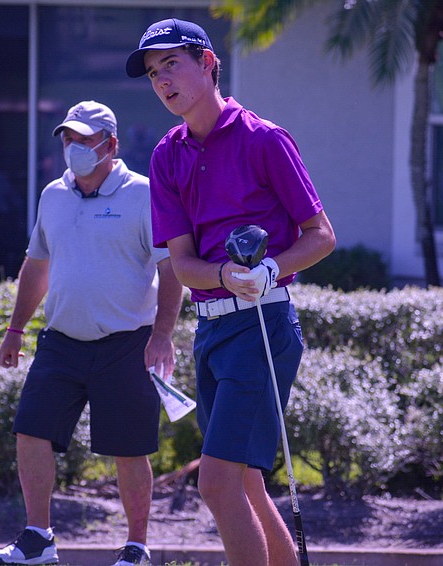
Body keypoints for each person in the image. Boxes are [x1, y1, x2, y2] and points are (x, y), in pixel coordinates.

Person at [126, 19, 336, 566]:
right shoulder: (166, 155)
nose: (162, 80)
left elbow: (321, 236)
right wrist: (224, 276)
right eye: (153, 73)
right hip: (213, 329)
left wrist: (270, 269)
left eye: (171, 64)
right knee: (244, 482)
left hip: (263, 324)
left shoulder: (264, 139)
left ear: (208, 63)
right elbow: (185, 264)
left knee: (217, 484)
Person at [0, 100, 183, 566]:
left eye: (84, 139)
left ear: (110, 145)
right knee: (31, 431)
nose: (73, 147)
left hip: (127, 344)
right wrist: (15, 328)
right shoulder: (53, 195)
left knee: (129, 449)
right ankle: (38, 539)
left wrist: (162, 335)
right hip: (61, 342)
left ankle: (136, 548)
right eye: (68, 139)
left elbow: (171, 270)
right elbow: (37, 266)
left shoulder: (143, 194)